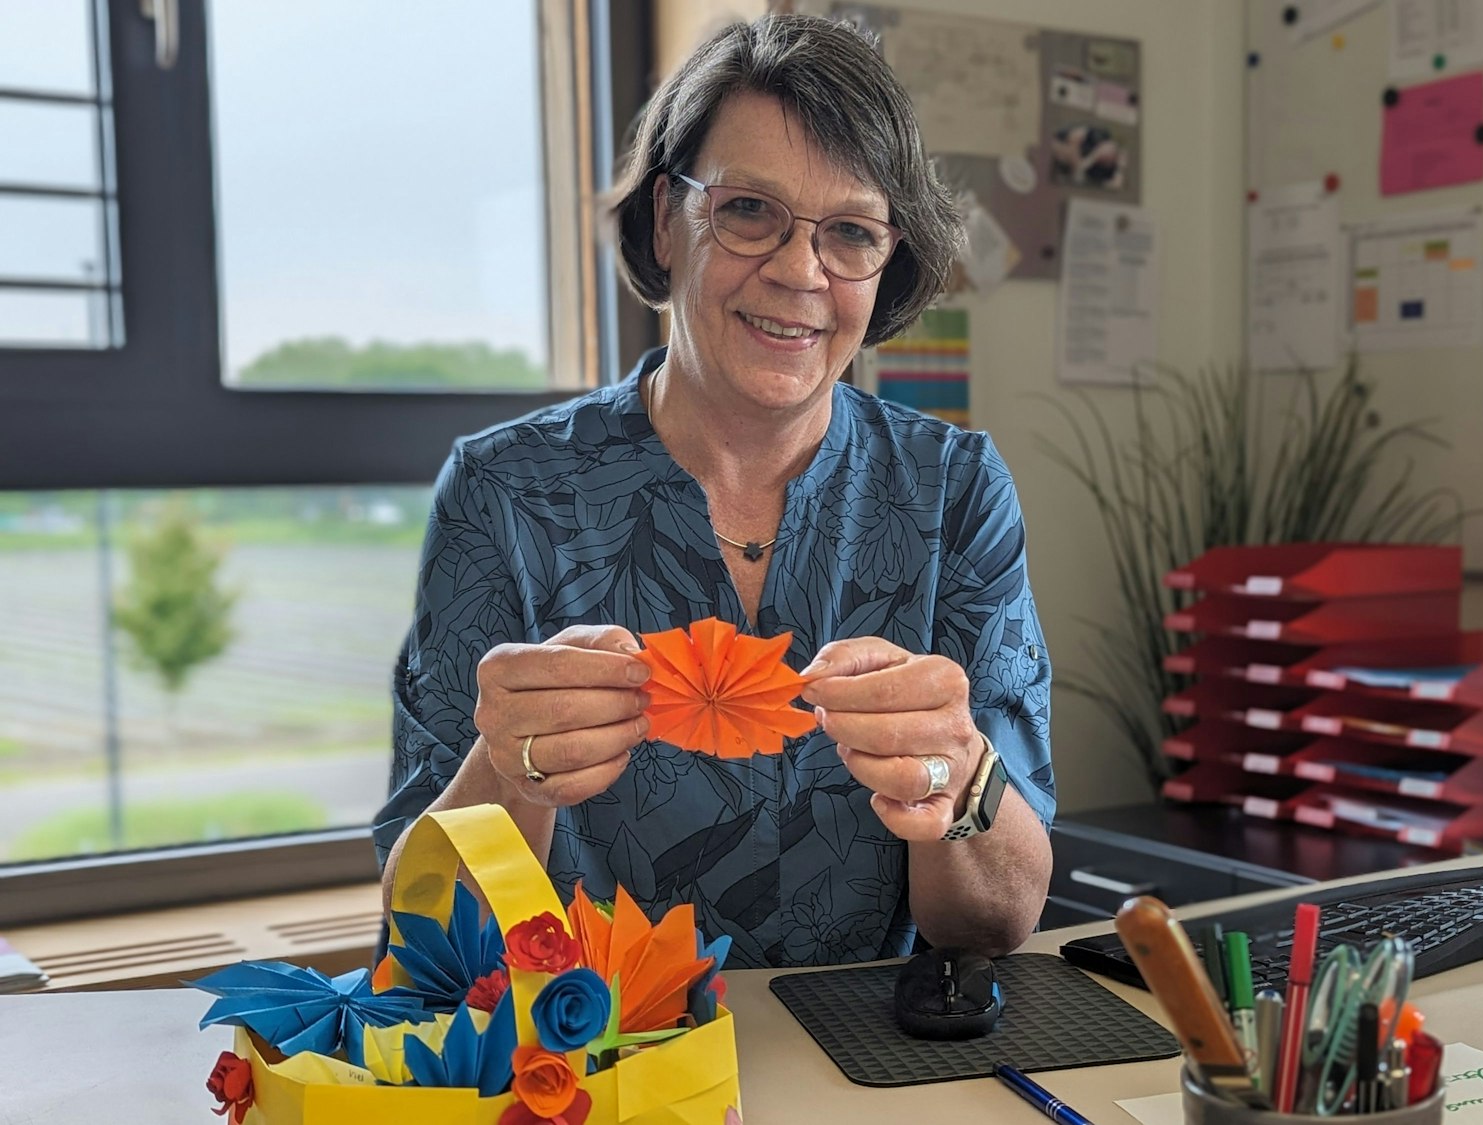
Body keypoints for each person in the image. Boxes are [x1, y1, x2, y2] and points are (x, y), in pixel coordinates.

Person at [372, 13, 1055, 967]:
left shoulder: (954, 492)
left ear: (886, 263)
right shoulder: (505, 494)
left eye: (851, 231)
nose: (797, 269)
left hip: (867, 1069)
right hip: (596, 1072)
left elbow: (997, 922)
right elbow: (421, 934)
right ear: (665, 219)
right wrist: (506, 770)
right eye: (747, 210)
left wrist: (959, 776)